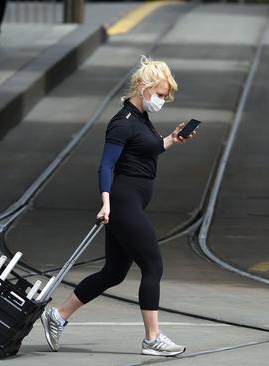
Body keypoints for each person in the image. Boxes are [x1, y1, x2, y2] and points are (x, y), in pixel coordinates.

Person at [40, 55, 197, 356]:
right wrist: (106, 203)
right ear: (144, 88)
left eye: (166, 96)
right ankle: (152, 338)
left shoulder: (141, 120)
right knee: (153, 265)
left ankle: (56, 316)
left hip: (131, 201)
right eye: (161, 95)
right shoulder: (121, 123)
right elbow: (105, 166)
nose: (163, 101)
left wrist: (172, 140)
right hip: (123, 203)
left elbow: (144, 153)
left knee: (114, 271)